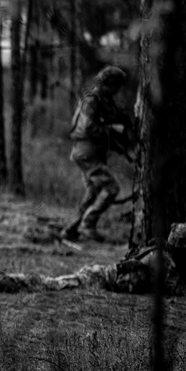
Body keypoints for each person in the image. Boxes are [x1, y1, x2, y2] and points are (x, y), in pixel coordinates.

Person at [0, 223, 186, 297]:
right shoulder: (163, 259)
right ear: (184, 246)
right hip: (100, 278)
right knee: (52, 284)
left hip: (103, 276)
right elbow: (179, 290)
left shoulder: (172, 256)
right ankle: (5, 281)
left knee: (55, 283)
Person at [63, 65, 135, 242]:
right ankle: (87, 224)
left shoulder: (105, 102)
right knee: (111, 189)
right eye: (115, 86)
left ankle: (72, 229)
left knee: (93, 191)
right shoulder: (92, 101)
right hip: (87, 152)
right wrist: (112, 129)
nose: (117, 90)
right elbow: (89, 127)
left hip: (92, 152)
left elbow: (115, 124)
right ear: (107, 84)